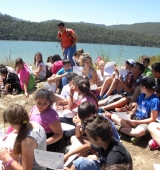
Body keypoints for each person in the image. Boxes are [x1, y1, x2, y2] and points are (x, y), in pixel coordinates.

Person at [67, 114, 132, 170]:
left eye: (89, 137)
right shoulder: (104, 141)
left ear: (98, 139)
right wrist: (67, 156)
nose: (88, 139)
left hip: (110, 167)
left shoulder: (114, 158)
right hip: (104, 165)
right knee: (80, 162)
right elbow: (88, 146)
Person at [111, 76, 160, 144]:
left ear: (144, 88)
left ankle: (117, 128)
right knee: (113, 116)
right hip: (134, 119)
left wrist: (135, 122)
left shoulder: (155, 100)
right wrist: (130, 114)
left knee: (138, 132)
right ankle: (132, 132)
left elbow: (152, 119)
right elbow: (137, 107)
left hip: (144, 123)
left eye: (140, 86)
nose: (139, 87)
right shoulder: (142, 95)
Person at [0, 104, 46, 170]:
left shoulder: (27, 141)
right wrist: (12, 133)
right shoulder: (35, 124)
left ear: (12, 124)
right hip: (41, 164)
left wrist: (7, 157)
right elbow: (21, 127)